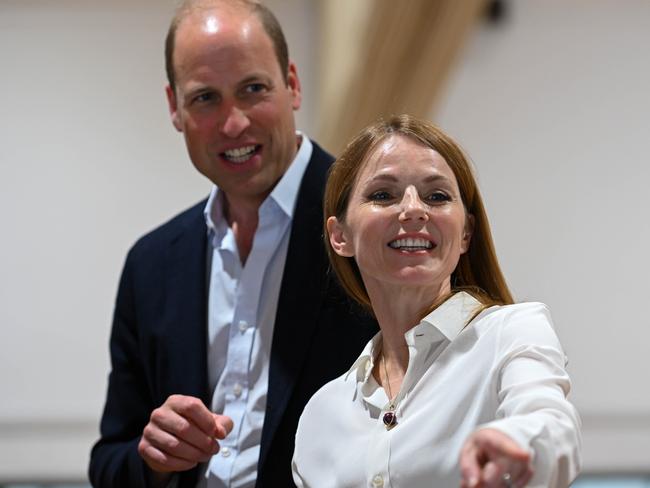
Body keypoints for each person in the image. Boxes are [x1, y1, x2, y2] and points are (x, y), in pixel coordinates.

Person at [88, 1, 376, 487]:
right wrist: (153, 460)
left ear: (293, 84)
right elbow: (109, 462)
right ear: (174, 107)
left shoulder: (373, 226)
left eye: (253, 89)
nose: (233, 123)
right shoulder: (151, 265)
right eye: (205, 98)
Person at [292, 114, 582, 488]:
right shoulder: (321, 413)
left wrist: (519, 440)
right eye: (383, 194)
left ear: (465, 234)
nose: (413, 209)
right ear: (339, 235)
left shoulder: (511, 333)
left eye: (437, 196)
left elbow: (551, 422)